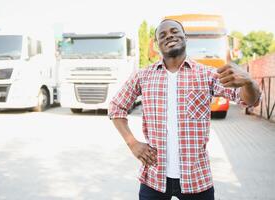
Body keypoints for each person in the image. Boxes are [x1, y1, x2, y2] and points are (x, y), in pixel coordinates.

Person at [108, 19, 261, 200]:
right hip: (154, 178)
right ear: (157, 45)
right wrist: (133, 143)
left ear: (185, 37)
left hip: (196, 179)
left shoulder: (207, 74)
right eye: (162, 35)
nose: (169, 36)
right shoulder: (143, 76)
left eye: (174, 31)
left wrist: (249, 83)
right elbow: (116, 107)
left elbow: (249, 100)